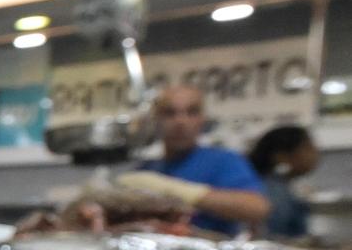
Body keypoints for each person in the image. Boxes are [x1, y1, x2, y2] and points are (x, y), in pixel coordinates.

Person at [115, 85, 269, 236]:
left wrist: (180, 191)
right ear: (156, 119)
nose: (181, 122)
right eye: (170, 113)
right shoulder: (146, 169)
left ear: (203, 119)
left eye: (192, 112)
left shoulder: (224, 162)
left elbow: (257, 208)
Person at [248, 124, 318, 239]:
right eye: (308, 148)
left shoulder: (283, 185)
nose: (315, 153)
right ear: (282, 156)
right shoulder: (274, 190)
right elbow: (273, 236)